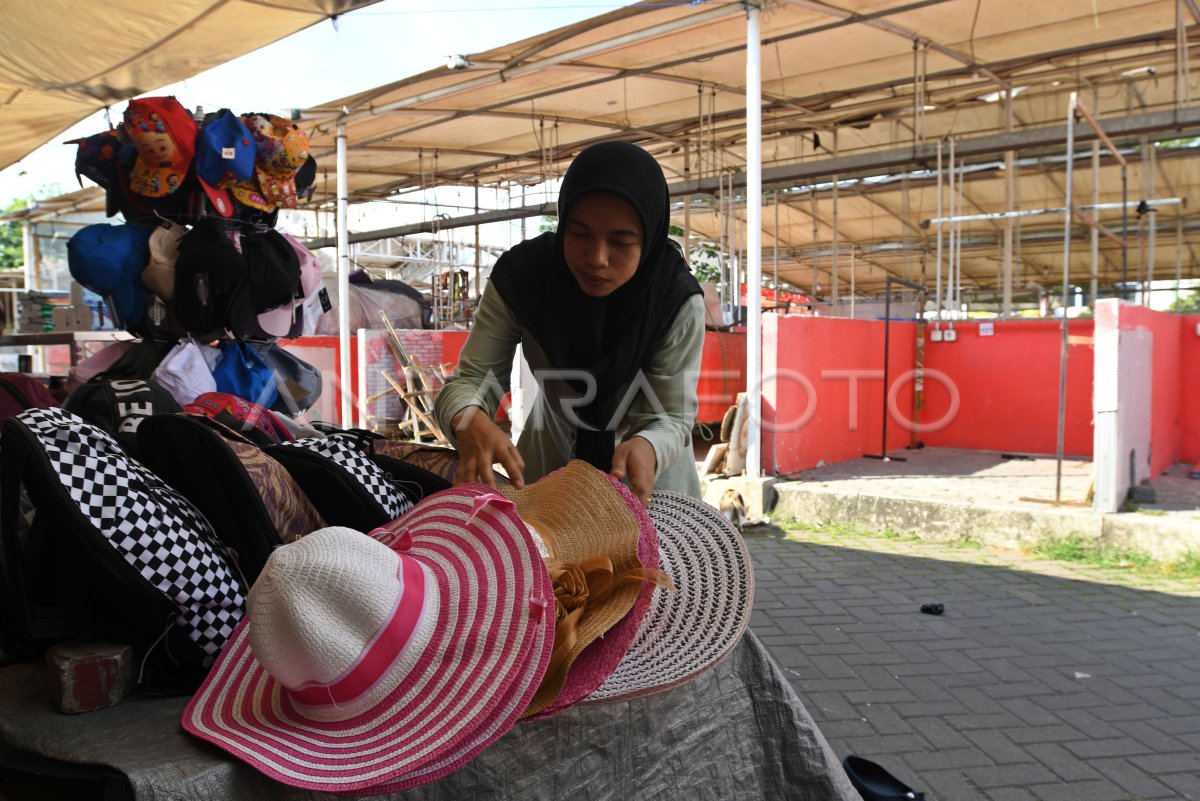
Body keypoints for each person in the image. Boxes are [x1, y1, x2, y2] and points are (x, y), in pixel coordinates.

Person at [433, 141, 705, 507]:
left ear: (650, 237)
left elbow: (671, 416)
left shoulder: (676, 300)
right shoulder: (524, 280)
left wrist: (648, 445)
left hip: (649, 490)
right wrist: (469, 418)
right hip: (549, 482)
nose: (598, 258)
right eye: (579, 234)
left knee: (646, 566)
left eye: (622, 242)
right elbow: (472, 380)